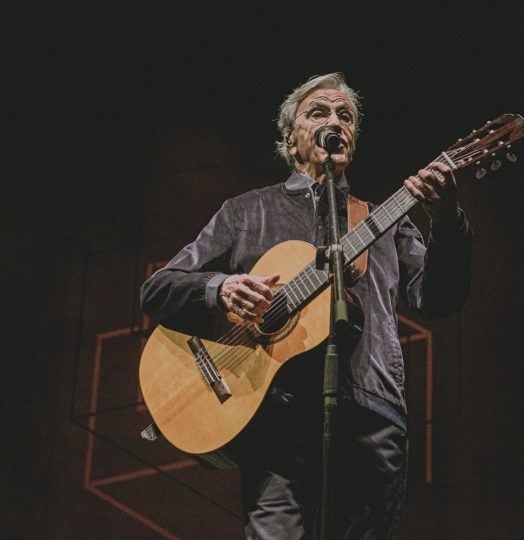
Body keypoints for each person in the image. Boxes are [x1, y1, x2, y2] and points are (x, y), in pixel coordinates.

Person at [140, 73, 472, 539]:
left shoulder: (381, 221)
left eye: (346, 115)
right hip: (275, 425)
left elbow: (440, 297)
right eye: (318, 112)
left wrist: (447, 221)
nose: (334, 120)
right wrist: (221, 287)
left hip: (369, 415)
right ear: (289, 137)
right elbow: (158, 289)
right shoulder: (245, 212)